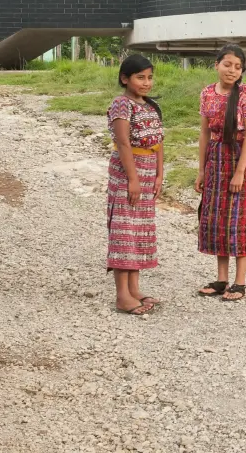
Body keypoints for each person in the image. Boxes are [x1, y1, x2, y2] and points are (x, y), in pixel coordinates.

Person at [194, 43, 246, 302]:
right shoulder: (207, 93)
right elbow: (204, 132)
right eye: (227, 64)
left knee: (239, 220)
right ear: (216, 65)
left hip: (238, 158)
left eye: (237, 66)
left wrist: (240, 171)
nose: (232, 70)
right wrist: (201, 170)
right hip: (215, 158)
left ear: (242, 70)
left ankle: (239, 283)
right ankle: (221, 280)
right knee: (217, 220)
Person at [106, 54, 165, 315]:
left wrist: (159, 174)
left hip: (148, 172)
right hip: (127, 174)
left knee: (139, 232)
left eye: (149, 77)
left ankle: (134, 289)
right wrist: (132, 179)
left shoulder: (150, 106)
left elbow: (158, 142)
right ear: (125, 79)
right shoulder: (121, 105)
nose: (146, 82)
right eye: (140, 77)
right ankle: (122, 296)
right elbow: (123, 143)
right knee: (124, 231)